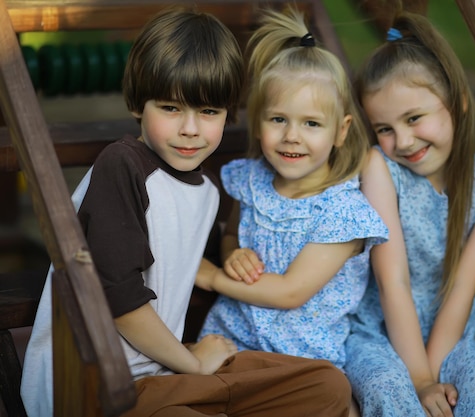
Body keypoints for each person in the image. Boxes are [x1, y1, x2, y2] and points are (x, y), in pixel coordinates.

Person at [20, 7, 352, 417]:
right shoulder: (122, 167)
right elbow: (118, 298)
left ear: (229, 113)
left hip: (165, 374)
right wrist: (192, 362)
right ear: (137, 104)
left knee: (325, 385)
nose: (190, 129)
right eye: (171, 109)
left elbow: (193, 262)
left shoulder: (207, 192)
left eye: (209, 112)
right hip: (98, 388)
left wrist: (231, 254)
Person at [344, 10, 475, 417]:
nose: (403, 140)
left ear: (458, 102)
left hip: (454, 337)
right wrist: (420, 380)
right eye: (384, 128)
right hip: (378, 337)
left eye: (414, 118)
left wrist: (434, 372)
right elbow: (392, 281)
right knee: (387, 386)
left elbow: (463, 285)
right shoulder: (379, 169)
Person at [195, 5, 387, 378]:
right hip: (232, 337)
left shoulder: (343, 213)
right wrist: (234, 253)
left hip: (301, 358)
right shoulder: (251, 181)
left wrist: (212, 276)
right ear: (258, 122)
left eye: (311, 123)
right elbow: (233, 232)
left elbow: (290, 292)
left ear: (341, 131)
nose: (292, 136)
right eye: (278, 119)